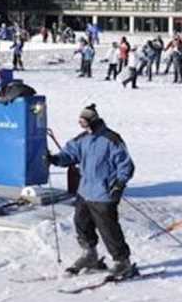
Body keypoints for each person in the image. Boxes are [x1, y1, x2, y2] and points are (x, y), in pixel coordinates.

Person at [47, 105, 136, 279]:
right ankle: (90, 255)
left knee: (108, 228)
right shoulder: (82, 139)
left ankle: (122, 261)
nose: (82, 125)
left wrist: (119, 183)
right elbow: (69, 155)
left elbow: (126, 165)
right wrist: (54, 159)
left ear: (94, 120)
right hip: (85, 190)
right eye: (80, 122)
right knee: (81, 223)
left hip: (104, 192)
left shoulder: (111, 139)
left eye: (85, 121)